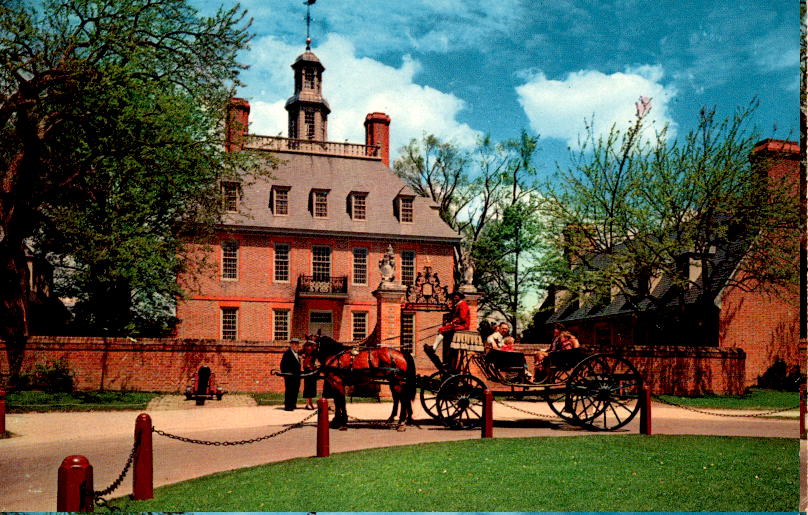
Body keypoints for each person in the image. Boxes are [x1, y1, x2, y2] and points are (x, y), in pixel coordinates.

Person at [431, 291, 470, 369]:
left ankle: (434, 348)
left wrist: (453, 321)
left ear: (460, 297)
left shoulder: (463, 304)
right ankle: (436, 349)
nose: (455, 298)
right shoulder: (458, 305)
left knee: (442, 329)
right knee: (443, 330)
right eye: (454, 296)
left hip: (462, 326)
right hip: (457, 325)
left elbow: (462, 317)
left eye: (456, 296)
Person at [280, 338, 302, 411]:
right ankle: (288, 406)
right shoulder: (287, 353)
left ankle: (293, 404)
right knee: (289, 390)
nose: (296, 345)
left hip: (296, 376)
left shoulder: (297, 353)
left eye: (297, 344)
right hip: (290, 376)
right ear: (291, 345)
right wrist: (287, 373)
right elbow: (283, 365)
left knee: (295, 390)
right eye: (295, 344)